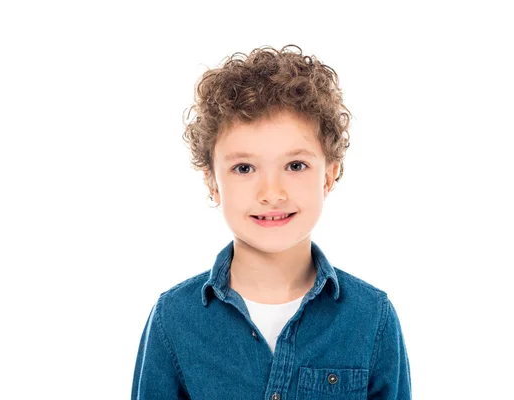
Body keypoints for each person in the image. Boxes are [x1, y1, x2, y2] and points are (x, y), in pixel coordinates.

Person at [131, 45, 411, 399]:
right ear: (212, 183)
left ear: (329, 175)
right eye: (244, 168)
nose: (271, 192)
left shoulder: (372, 318)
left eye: (295, 165)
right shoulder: (174, 319)